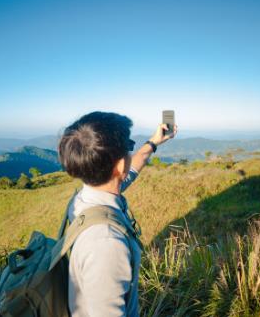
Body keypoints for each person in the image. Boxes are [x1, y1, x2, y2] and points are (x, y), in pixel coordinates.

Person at [57, 111, 177, 316]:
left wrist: (154, 142)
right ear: (119, 165)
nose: (131, 151)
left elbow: (127, 174)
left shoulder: (83, 199)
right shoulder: (106, 243)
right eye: (129, 146)